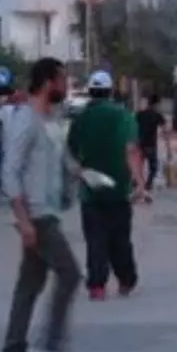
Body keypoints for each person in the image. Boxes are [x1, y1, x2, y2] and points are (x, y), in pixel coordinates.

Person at [1, 57, 88, 352]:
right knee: (70, 274)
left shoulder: (50, 118)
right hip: (36, 215)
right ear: (48, 82)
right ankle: (51, 348)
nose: (66, 88)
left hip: (48, 209)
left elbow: (59, 154)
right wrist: (22, 220)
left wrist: (77, 171)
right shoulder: (26, 120)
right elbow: (10, 172)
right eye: (62, 81)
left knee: (30, 282)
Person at [67, 71, 146, 301]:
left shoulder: (80, 118)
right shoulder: (123, 116)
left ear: (90, 91)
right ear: (111, 92)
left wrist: (79, 174)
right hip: (119, 190)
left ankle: (97, 285)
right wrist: (139, 183)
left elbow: (71, 152)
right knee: (121, 238)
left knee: (95, 240)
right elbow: (131, 150)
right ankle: (125, 280)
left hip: (91, 192)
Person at [136, 93, 170, 191]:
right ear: (157, 104)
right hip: (151, 145)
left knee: (139, 165)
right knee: (153, 168)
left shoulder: (140, 114)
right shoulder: (158, 115)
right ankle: (148, 184)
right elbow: (165, 132)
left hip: (139, 143)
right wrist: (169, 149)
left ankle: (137, 182)